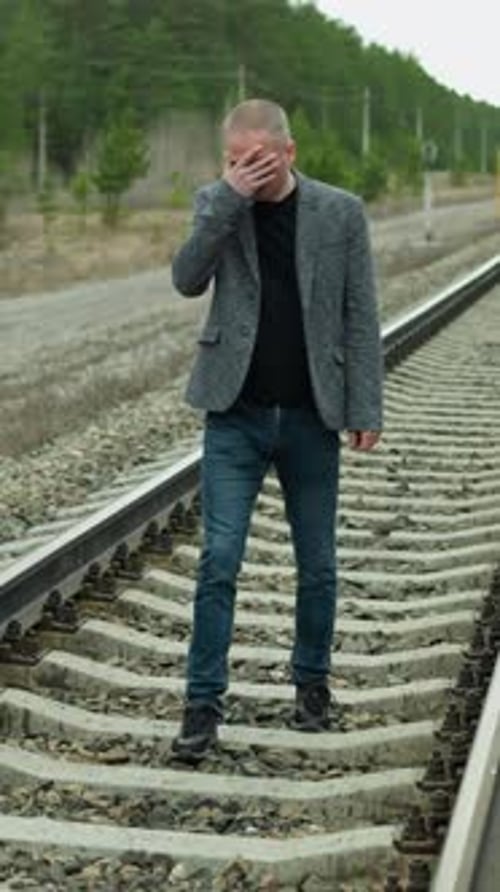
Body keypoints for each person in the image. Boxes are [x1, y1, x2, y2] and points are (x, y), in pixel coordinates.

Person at [170, 98, 383, 762]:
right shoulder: (218, 204)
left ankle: (311, 686)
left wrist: (364, 408)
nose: (246, 171)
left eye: (258, 159)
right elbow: (185, 279)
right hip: (234, 414)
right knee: (218, 561)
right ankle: (202, 706)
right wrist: (225, 201)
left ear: (288, 154)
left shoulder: (339, 212)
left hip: (310, 417)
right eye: (235, 161)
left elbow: (359, 313)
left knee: (316, 565)